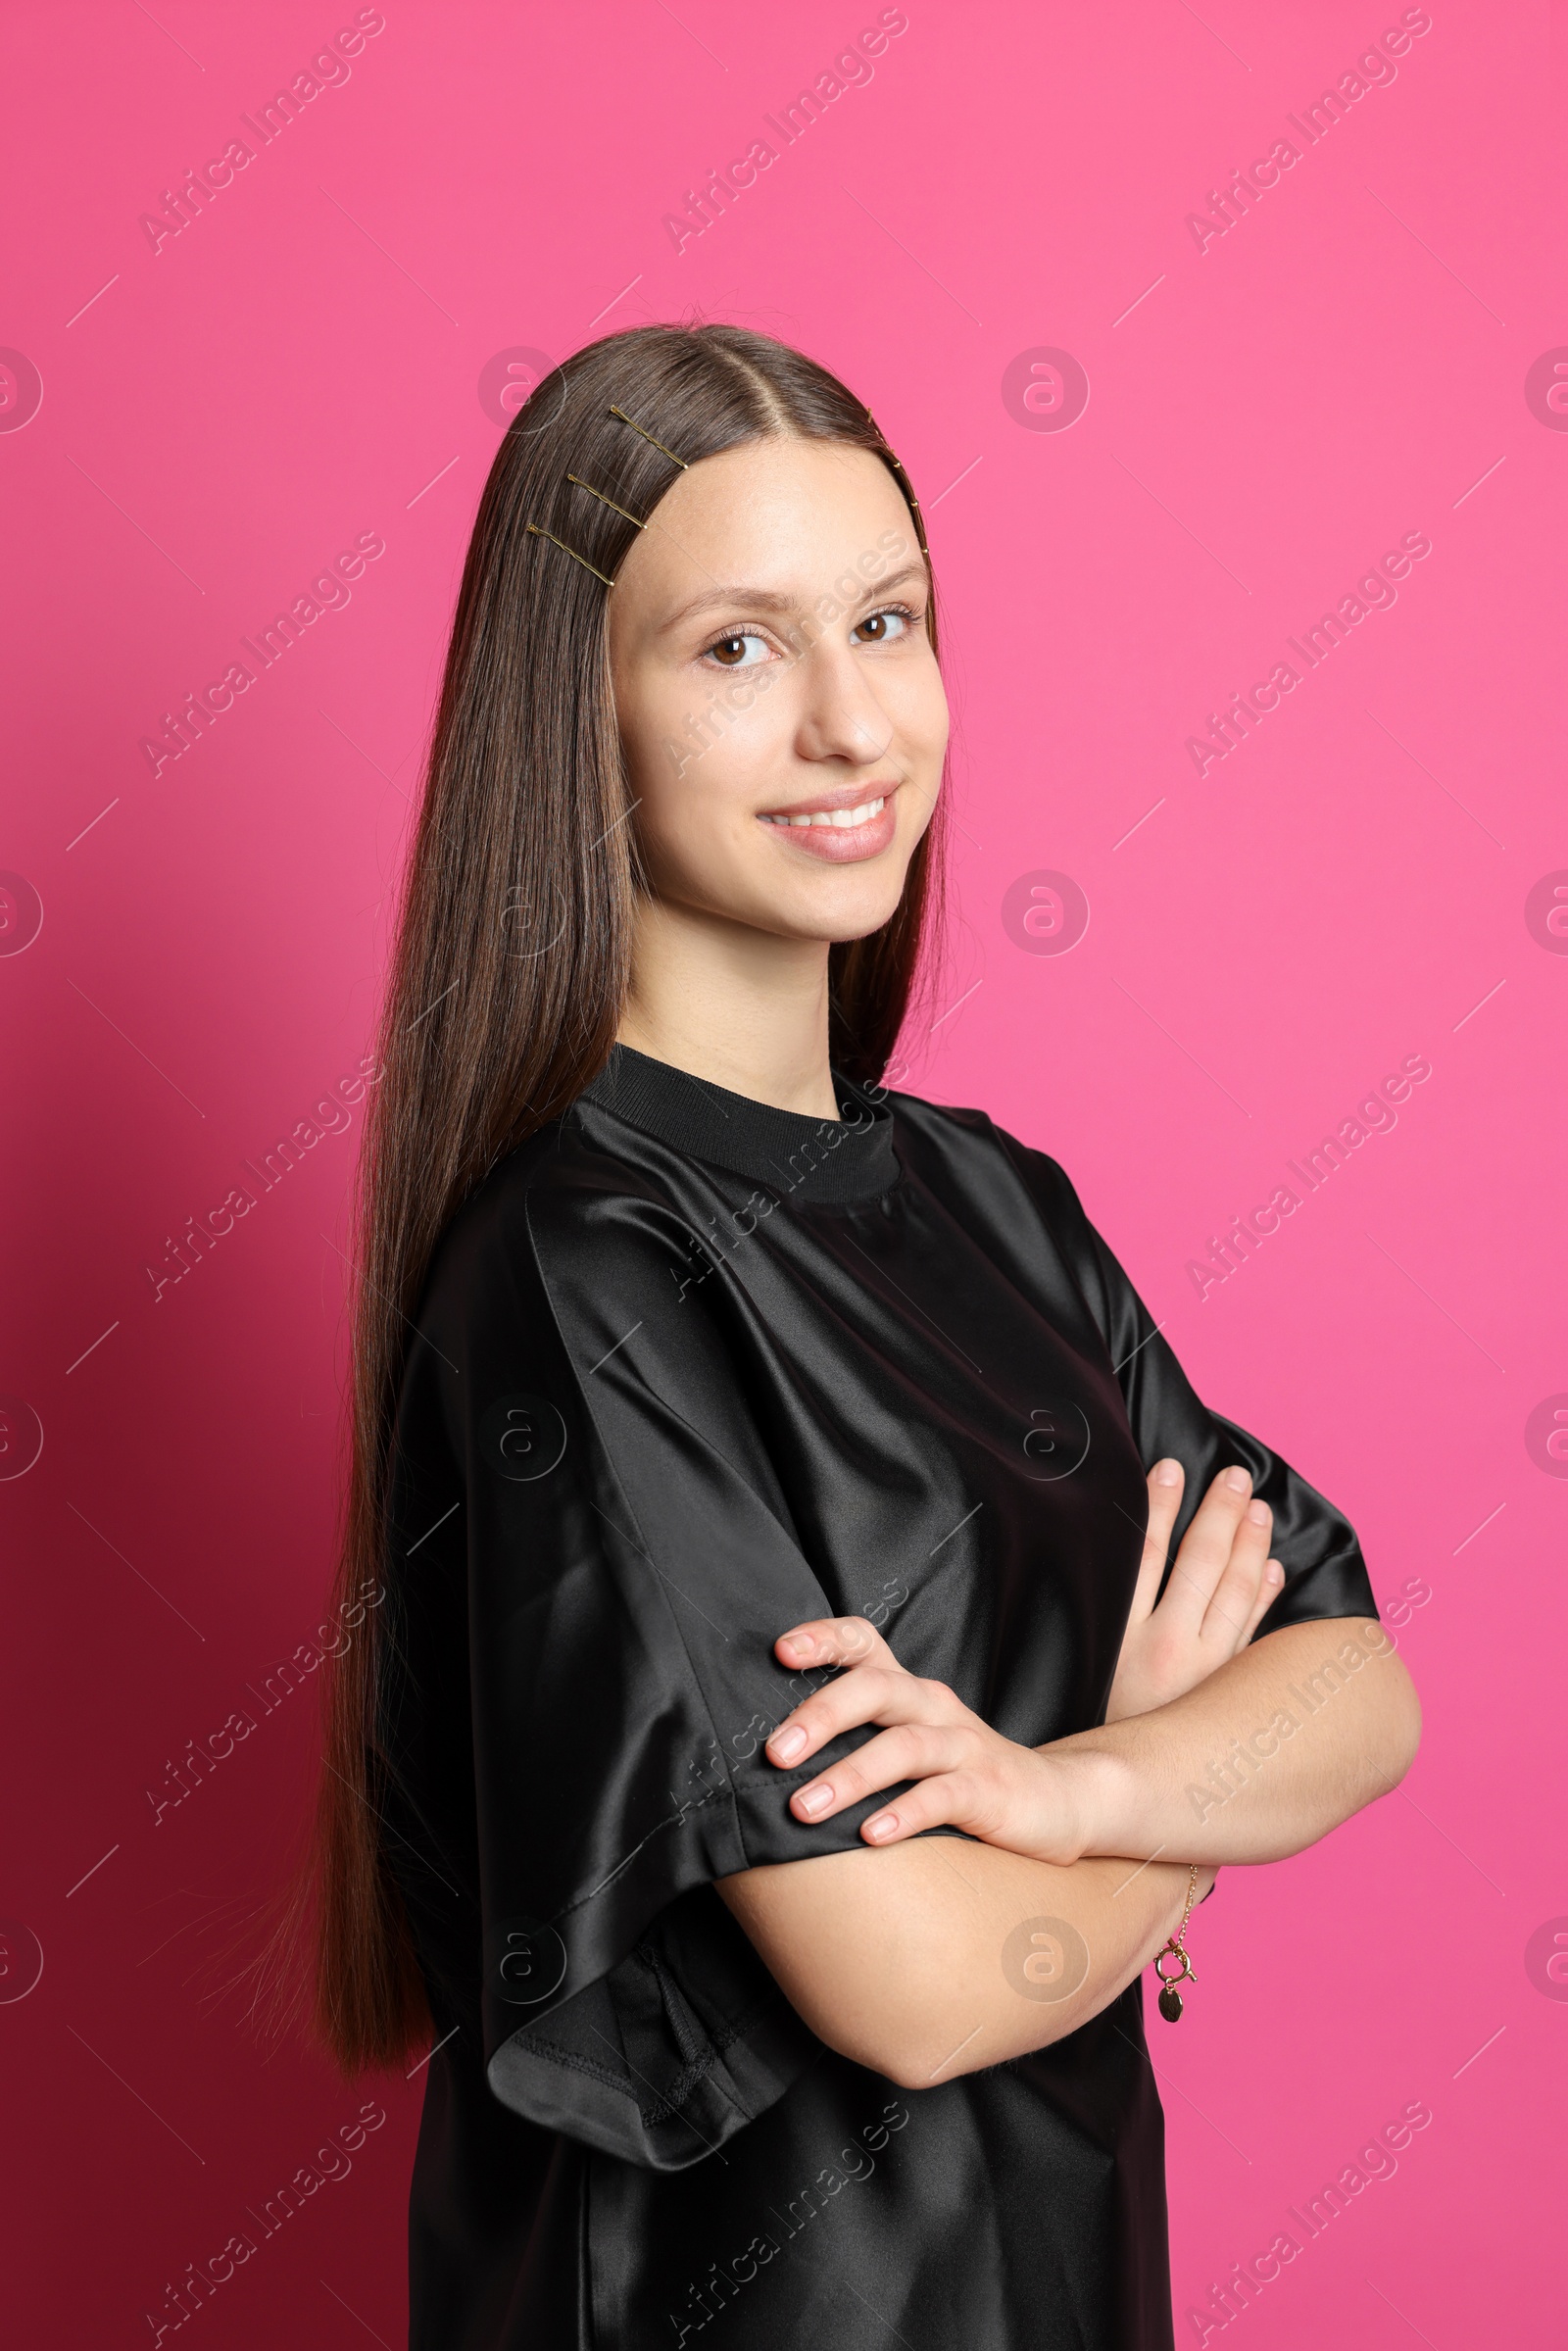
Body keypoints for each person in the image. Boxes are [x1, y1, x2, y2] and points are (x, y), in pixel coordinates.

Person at [301, 323, 1421, 2350]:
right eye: (733, 648)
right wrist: (1169, 1813)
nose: (847, 722)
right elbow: (903, 1984)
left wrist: (1058, 1798)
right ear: (581, 722)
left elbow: (1351, 1687)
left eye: (884, 622)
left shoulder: (992, 1202)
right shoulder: (584, 1276)